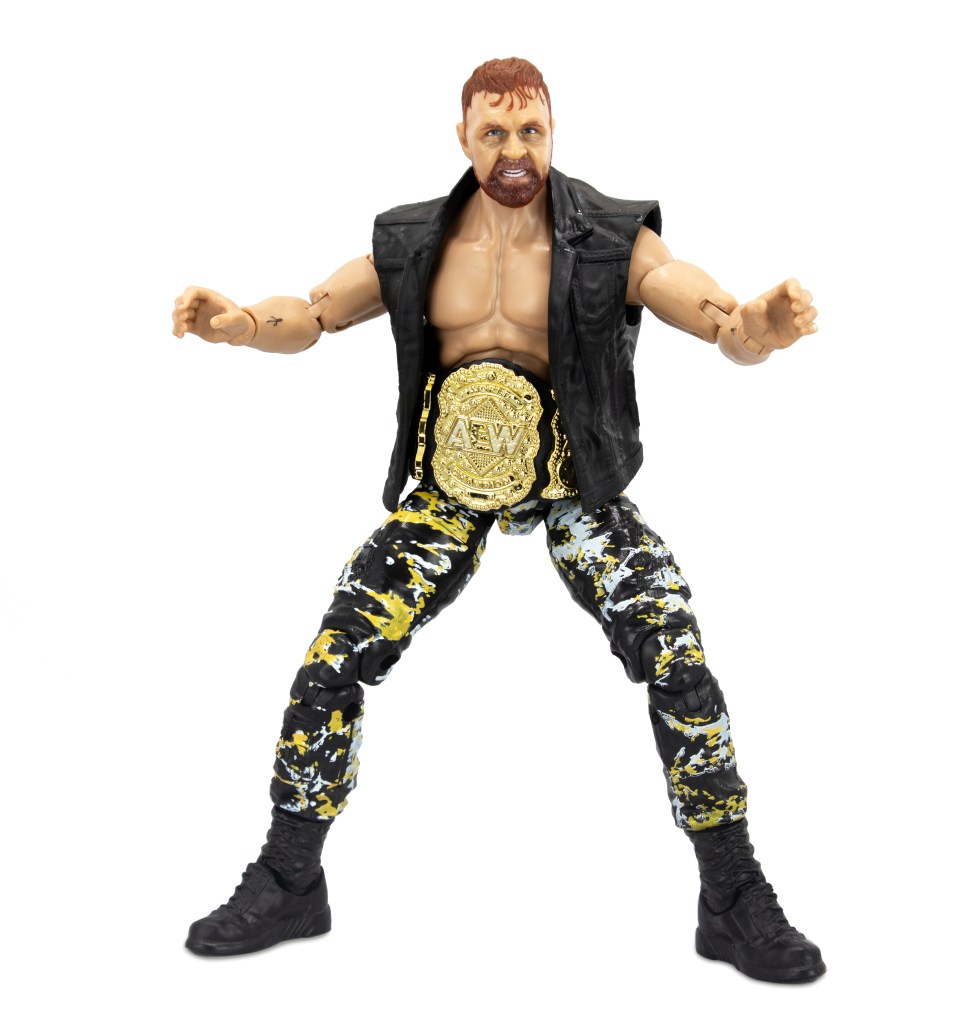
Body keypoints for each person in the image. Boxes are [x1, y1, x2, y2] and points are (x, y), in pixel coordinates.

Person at [172, 57, 823, 983]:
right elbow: (313, 313)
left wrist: (756, 327)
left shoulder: (610, 238)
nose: (514, 150)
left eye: (531, 131)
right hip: (448, 494)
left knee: (677, 658)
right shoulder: (414, 242)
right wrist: (239, 323)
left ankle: (732, 893)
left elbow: (709, 311)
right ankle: (288, 878)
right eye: (494, 132)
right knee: (332, 659)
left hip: (575, 487)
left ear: (553, 132)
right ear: (463, 136)